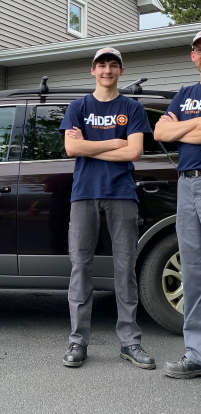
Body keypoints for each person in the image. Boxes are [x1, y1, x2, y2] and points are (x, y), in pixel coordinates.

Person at [59, 47, 155, 369]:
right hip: (84, 195)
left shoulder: (132, 108)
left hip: (121, 194)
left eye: (113, 65)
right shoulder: (78, 107)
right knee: (80, 268)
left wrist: (91, 147)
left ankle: (130, 342)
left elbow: (135, 152)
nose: (107, 70)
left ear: (121, 72)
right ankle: (77, 342)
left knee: (125, 268)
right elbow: (71, 147)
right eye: (102, 65)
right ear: (93, 70)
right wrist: (114, 143)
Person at [154, 31, 201, 380]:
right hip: (187, 183)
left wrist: (178, 128)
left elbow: (173, 132)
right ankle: (196, 354)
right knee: (193, 271)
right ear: (193, 56)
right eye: (199, 48)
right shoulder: (184, 94)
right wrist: (194, 125)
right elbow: (159, 133)